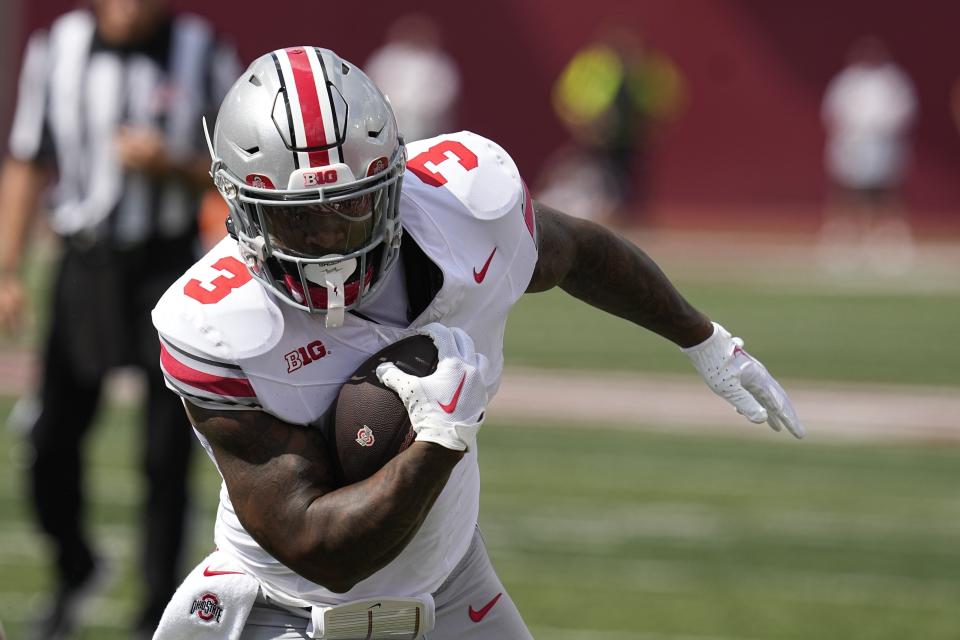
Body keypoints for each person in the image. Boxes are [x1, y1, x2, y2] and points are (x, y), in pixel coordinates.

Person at [151, 46, 803, 639]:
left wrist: (705, 340)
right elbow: (320, 549)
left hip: (454, 590)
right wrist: (440, 441)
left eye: (349, 207)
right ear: (239, 206)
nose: (328, 239)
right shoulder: (216, 324)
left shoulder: (463, 208)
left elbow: (579, 252)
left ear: (393, 181)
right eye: (298, 218)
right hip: (281, 612)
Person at [0, 0, 240, 636]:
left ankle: (157, 608)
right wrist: (6, 270)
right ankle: (75, 566)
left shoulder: (204, 50)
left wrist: (174, 167)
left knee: (166, 454)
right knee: (49, 439)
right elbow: (27, 156)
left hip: (167, 266)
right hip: (84, 267)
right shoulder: (57, 48)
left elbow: (239, 173)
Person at [542, 27, 683, 224]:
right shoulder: (592, 68)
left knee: (624, 183)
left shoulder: (641, 71)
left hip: (627, 139)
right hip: (595, 140)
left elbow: (663, 98)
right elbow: (567, 96)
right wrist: (583, 124)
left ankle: (621, 222)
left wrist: (649, 126)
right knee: (594, 178)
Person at [820, 36, 917, 274]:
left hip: (883, 145)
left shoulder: (892, 81)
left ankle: (888, 242)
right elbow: (833, 109)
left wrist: (880, 128)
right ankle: (843, 240)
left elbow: (903, 110)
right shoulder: (847, 81)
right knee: (847, 194)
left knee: (885, 196)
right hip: (853, 144)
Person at [365, 14, 461, 142]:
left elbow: (446, 91)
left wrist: (422, 109)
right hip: (389, 119)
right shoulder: (386, 58)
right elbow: (371, 84)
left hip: (427, 125)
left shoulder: (438, 62)